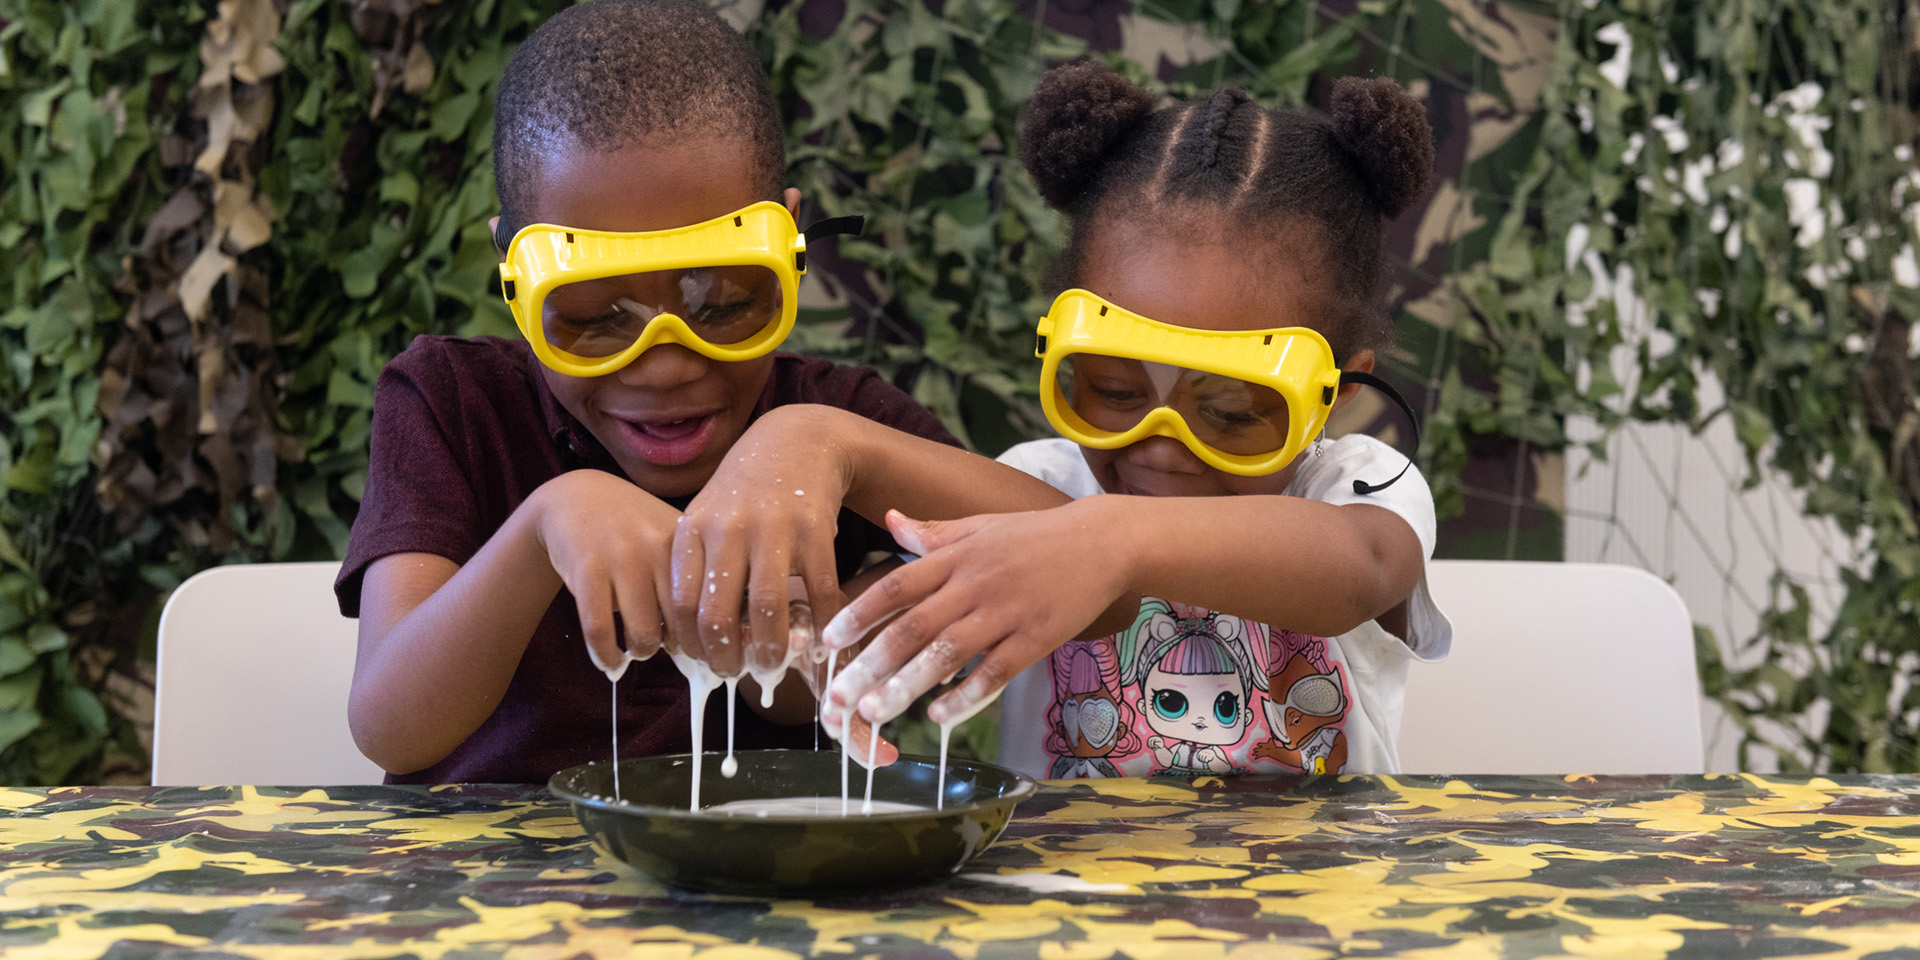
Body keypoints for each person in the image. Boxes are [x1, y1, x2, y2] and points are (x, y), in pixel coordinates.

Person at [335, 0, 1079, 783]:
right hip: (493, 891)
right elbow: (391, 729)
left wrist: (835, 456)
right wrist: (542, 530)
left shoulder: (833, 418)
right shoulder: (453, 403)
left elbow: (1092, 582)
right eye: (591, 317)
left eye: (722, 301)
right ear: (512, 271)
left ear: (788, 247)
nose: (665, 365)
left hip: (761, 888)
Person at [820, 62, 1452, 777]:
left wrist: (1108, 539)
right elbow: (839, 648)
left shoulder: (1356, 486)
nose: (1161, 446)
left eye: (1231, 411)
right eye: (1115, 391)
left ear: (1337, 391)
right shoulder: (1036, 488)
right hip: (1072, 885)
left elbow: (1363, 570)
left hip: (1317, 887)